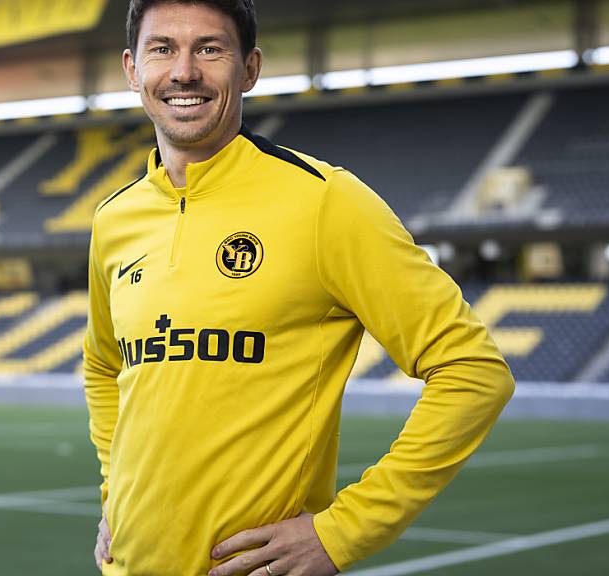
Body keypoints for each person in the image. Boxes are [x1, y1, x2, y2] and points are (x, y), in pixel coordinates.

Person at [82, 0, 515, 574]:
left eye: (210, 49)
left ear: (250, 69)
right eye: (163, 49)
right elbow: (103, 365)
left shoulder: (325, 201)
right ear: (133, 69)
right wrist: (115, 490)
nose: (184, 71)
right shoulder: (113, 219)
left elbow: (474, 370)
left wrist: (343, 532)